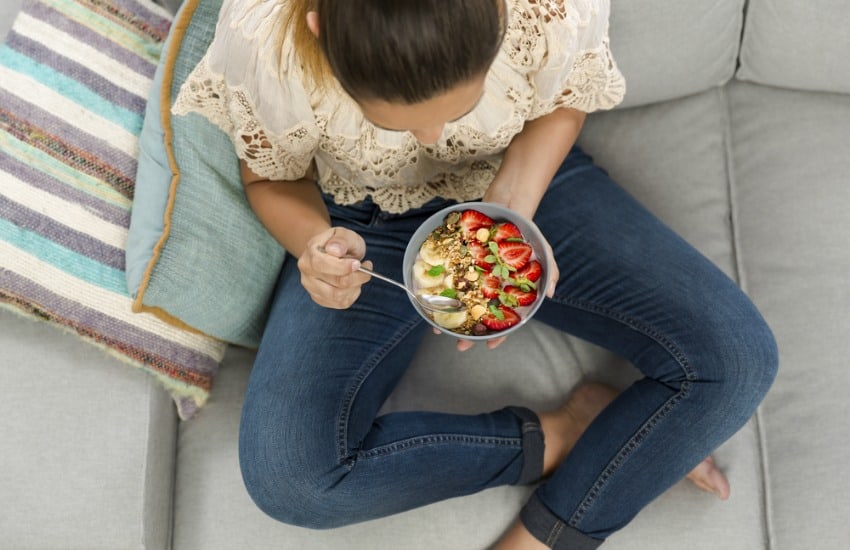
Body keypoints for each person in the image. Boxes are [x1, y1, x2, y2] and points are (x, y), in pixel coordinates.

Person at [174, 0, 778, 547]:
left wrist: (511, 207)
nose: (433, 138)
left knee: (737, 357)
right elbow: (272, 176)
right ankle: (571, 432)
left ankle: (540, 543)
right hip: (364, 220)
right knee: (292, 480)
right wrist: (314, 244)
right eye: (402, 120)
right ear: (319, 29)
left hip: (520, 178)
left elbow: (566, 97)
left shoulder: (548, 6)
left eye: (457, 106)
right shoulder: (263, 37)